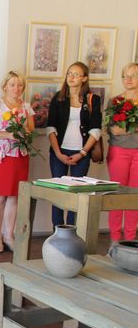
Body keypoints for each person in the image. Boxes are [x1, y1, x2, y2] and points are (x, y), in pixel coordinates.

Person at [0, 71, 35, 253]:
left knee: (15, 196)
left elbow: (32, 131)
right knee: (0, 196)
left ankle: (9, 235)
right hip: (1, 156)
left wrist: (24, 131)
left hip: (20, 155)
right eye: (12, 84)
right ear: (5, 86)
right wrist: (8, 134)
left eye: (20, 85)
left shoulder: (26, 107)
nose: (16, 88)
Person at [46, 62, 102, 226]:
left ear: (84, 78)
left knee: (77, 194)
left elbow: (95, 130)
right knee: (57, 193)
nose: (71, 77)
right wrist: (58, 153)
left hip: (82, 153)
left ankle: (72, 230)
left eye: (76, 74)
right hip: (59, 152)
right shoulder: (58, 98)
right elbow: (51, 128)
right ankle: (57, 230)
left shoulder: (93, 99)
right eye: (69, 73)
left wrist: (82, 153)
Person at [106, 62, 138, 241]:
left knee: (134, 197)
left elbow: (120, 129)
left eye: (133, 75)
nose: (128, 79)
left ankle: (130, 240)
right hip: (119, 151)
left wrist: (126, 127)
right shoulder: (115, 101)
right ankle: (115, 241)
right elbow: (114, 130)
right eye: (125, 76)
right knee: (117, 195)